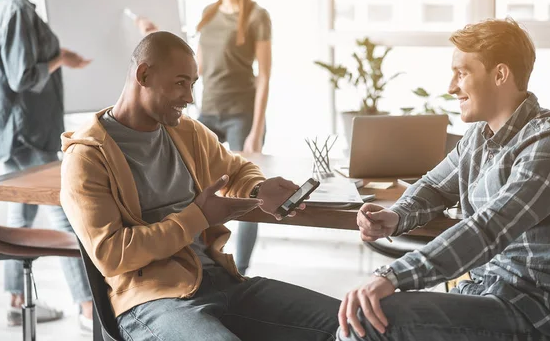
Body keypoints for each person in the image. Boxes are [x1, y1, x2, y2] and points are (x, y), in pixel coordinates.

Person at [59, 31, 340, 341]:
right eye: (181, 83)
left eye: (192, 85)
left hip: (221, 281)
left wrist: (258, 190)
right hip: (152, 301)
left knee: (352, 323)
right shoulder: (86, 157)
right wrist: (197, 217)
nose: (190, 98)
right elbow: (111, 254)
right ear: (144, 74)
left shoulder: (187, 132)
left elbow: (236, 170)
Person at [337, 18, 550, 341]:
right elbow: (434, 186)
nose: (451, 87)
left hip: (541, 312)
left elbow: (489, 229)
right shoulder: (478, 139)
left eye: (462, 73)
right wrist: (396, 215)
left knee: (371, 319)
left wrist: (393, 275)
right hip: (488, 292)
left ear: (500, 75)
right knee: (354, 320)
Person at [134, 0, 271, 275]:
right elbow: (192, 63)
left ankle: (242, 269)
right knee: (193, 182)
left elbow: (265, 75)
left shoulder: (256, 16)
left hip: (241, 113)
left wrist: (256, 128)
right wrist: (156, 36)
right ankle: (202, 256)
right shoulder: (209, 13)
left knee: (248, 191)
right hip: (207, 110)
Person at [0, 0, 94, 331]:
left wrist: (58, 55)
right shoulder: (15, 9)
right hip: (27, 131)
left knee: (22, 214)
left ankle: (16, 301)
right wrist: (60, 59)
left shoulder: (8, 6)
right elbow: (23, 77)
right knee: (63, 211)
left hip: (18, 131)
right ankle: (87, 308)